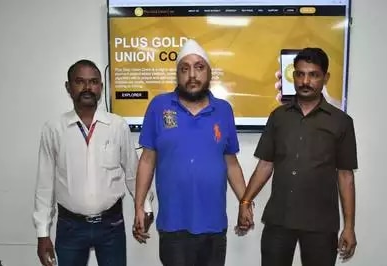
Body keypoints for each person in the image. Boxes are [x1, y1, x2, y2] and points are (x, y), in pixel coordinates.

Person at [132, 39, 249, 266]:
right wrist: (139, 206)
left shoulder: (223, 110)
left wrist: (244, 203)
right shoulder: (159, 106)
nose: (192, 75)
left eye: (199, 67)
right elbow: (147, 160)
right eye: (184, 69)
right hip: (173, 225)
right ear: (177, 74)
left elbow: (231, 162)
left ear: (209, 73)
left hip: (213, 226)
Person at [238, 48, 358, 266]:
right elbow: (265, 165)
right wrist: (245, 201)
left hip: (321, 224)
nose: (305, 81)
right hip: (279, 220)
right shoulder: (278, 117)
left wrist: (349, 227)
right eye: (300, 74)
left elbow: (346, 176)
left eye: (313, 75)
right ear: (293, 76)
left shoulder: (341, 122)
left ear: (325, 78)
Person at [32, 59, 153, 266]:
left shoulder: (117, 126)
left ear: (101, 87)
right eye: (80, 81)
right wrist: (43, 234)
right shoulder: (54, 129)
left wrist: (145, 208)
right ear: (68, 87)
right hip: (70, 226)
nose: (87, 87)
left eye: (94, 82)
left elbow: (133, 173)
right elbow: (45, 185)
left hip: (111, 226)